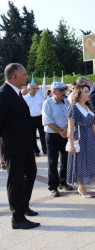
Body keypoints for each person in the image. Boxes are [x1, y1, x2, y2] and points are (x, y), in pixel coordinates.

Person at [0, 63, 40, 229]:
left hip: (25, 146)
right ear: (14, 77)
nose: (27, 77)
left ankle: (23, 207)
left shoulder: (16, 93)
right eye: (24, 75)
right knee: (15, 181)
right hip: (13, 147)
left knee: (31, 174)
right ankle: (17, 219)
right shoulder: (3, 94)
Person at [66, 85, 95, 198]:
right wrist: (71, 144)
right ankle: (81, 187)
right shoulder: (73, 108)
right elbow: (70, 128)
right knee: (81, 163)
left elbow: (93, 123)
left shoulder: (89, 107)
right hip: (80, 137)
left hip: (91, 138)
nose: (88, 93)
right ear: (79, 93)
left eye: (88, 91)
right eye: (86, 91)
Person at [42, 82, 73, 197]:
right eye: (61, 90)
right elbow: (48, 121)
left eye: (64, 90)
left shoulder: (67, 102)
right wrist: (61, 131)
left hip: (65, 134)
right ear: (53, 92)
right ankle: (53, 186)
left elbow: (71, 117)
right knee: (53, 161)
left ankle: (62, 182)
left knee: (66, 159)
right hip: (53, 135)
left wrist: (67, 130)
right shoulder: (47, 103)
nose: (64, 93)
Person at [24, 83, 47, 156]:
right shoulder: (25, 98)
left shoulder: (39, 97)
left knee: (43, 134)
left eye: (36, 88)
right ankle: (36, 150)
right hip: (30, 119)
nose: (35, 90)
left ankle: (45, 150)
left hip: (40, 118)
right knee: (32, 135)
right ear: (28, 89)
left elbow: (43, 106)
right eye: (33, 88)